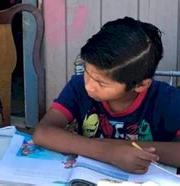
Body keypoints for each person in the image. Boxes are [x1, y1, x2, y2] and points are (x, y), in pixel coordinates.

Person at [33, 17, 180, 174]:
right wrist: (109, 151)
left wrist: (131, 150)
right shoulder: (78, 87)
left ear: (140, 85)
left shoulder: (167, 100)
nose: (89, 86)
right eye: (86, 72)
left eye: (101, 83)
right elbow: (43, 133)